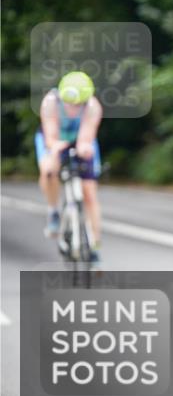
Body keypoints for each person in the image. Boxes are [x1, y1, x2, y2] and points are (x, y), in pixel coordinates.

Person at [36, 71, 104, 261]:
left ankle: (94, 246)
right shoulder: (50, 102)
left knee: (89, 191)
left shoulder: (93, 106)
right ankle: (53, 211)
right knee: (49, 170)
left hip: (79, 139)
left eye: (77, 105)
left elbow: (86, 136)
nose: (72, 108)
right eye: (68, 103)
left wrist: (84, 147)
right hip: (54, 139)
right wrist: (55, 148)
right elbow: (50, 136)